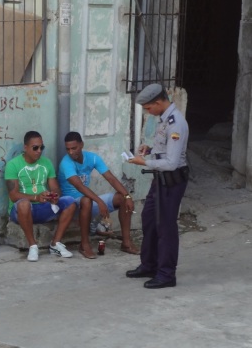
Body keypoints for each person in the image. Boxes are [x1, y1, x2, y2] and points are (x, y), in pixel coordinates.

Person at [126, 84, 189, 289]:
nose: (147, 112)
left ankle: (166, 274)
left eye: (148, 108)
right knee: (149, 219)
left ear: (159, 102)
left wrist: (143, 162)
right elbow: (166, 150)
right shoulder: (164, 119)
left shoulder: (176, 123)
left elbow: (171, 163)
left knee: (166, 227)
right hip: (160, 180)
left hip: (172, 181)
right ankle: (149, 264)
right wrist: (150, 149)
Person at [58, 131, 139, 259]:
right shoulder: (66, 163)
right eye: (68, 149)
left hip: (88, 202)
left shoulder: (92, 158)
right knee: (86, 200)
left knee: (121, 198)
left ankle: (126, 243)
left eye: (74, 148)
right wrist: (99, 202)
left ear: (82, 145)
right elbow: (79, 186)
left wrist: (127, 196)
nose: (71, 152)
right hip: (71, 206)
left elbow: (111, 178)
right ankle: (84, 245)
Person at [5, 131, 77, 262]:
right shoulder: (13, 165)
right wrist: (36, 197)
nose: (39, 151)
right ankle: (33, 246)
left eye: (41, 147)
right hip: (22, 210)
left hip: (43, 206)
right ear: (25, 148)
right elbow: (13, 195)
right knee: (23, 204)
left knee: (70, 202)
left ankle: (55, 244)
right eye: (35, 148)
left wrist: (54, 195)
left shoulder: (46, 163)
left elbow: (55, 187)